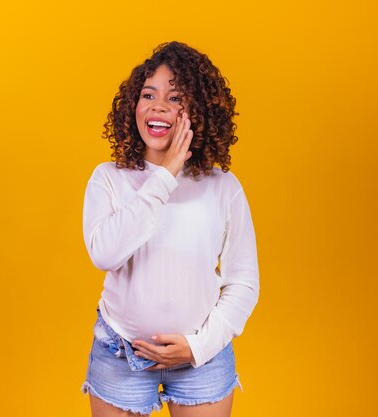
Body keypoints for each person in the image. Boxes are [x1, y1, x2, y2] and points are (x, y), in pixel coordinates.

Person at [80, 41, 260, 417]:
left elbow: (243, 282)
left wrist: (199, 347)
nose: (158, 106)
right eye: (149, 94)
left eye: (175, 97)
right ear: (134, 105)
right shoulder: (109, 179)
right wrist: (164, 176)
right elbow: (105, 254)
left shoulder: (223, 187)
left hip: (203, 359)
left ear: (198, 111)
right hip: (119, 353)